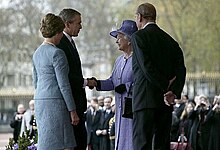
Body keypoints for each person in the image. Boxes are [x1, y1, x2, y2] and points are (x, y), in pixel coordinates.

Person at [131, 3, 186, 150]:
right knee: (161, 145)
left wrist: (164, 85)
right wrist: (172, 91)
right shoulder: (171, 42)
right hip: (165, 103)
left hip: (144, 101)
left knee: (142, 145)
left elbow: (146, 67)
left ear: (139, 17)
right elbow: (181, 69)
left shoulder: (138, 37)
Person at [32, 13, 79, 150]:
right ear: (58, 32)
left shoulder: (36, 53)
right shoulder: (57, 53)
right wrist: (72, 111)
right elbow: (64, 85)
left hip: (40, 101)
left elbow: (36, 81)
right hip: (56, 103)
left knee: (46, 143)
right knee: (65, 144)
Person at [91, 20, 138, 150]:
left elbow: (144, 83)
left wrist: (127, 87)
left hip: (132, 109)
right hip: (119, 110)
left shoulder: (138, 59)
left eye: (119, 36)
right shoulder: (118, 61)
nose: (116, 40)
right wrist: (96, 83)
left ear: (129, 40)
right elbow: (112, 82)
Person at [57, 8, 95, 150]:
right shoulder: (61, 44)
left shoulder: (69, 42)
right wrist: (86, 82)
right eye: (78, 23)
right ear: (67, 24)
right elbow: (66, 77)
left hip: (77, 106)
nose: (81, 26)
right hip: (70, 108)